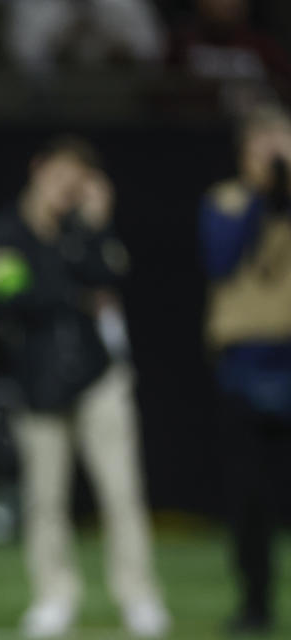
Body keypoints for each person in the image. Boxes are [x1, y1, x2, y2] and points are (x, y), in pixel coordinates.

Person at [0, 137, 169, 638]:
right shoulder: (2, 229)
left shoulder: (85, 231)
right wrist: (60, 290)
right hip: (35, 385)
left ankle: (139, 597)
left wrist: (97, 224)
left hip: (99, 378)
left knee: (122, 494)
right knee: (44, 499)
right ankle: (54, 596)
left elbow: (109, 274)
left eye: (77, 182)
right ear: (38, 169)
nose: (66, 188)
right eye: (60, 175)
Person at [200, 103, 291, 636]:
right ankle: (256, 603)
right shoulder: (226, 202)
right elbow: (222, 260)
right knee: (250, 499)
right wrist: (262, 194)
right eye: (265, 147)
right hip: (242, 364)